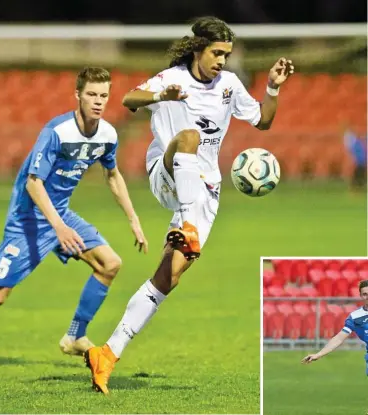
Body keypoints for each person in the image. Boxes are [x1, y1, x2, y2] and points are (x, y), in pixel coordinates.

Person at [84, 16, 294, 394]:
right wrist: (161, 97)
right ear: (198, 48)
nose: (222, 61)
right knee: (188, 137)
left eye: (226, 54)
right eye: (216, 53)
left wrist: (274, 89)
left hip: (205, 189)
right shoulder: (171, 78)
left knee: (170, 275)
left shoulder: (229, 84)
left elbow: (262, 121)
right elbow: (128, 99)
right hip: (166, 172)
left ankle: (108, 353)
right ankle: (186, 223)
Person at [0, 67, 148, 370]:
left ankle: (74, 336)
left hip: (61, 216)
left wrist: (133, 219)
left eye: (103, 95)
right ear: (77, 95)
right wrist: (59, 228)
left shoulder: (108, 135)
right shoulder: (57, 132)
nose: (98, 102)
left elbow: (112, 174)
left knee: (109, 264)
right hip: (29, 221)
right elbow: (34, 183)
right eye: (91, 95)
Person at [302, 280, 368, 375]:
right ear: (361, 296)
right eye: (365, 294)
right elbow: (339, 338)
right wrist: (319, 354)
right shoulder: (355, 317)